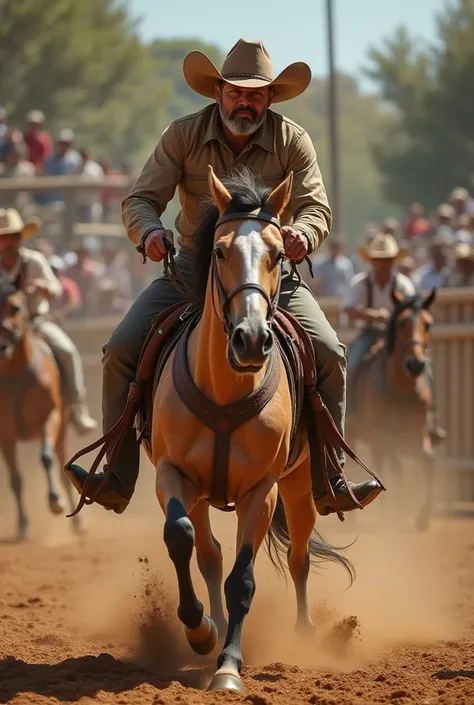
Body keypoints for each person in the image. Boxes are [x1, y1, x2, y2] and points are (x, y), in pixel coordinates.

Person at [66, 38, 382, 515]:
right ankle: (115, 474)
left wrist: (303, 234)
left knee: (330, 351)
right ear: (218, 92)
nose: (244, 102)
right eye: (235, 92)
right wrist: (150, 231)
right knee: (119, 351)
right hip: (194, 268)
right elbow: (139, 201)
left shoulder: (292, 139)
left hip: (268, 273)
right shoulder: (183, 135)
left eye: (255, 94)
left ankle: (329, 478)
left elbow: (316, 205)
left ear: (271, 98)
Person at [0, 208, 97, 435]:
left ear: (19, 238)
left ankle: (77, 407)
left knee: (67, 351)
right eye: (3, 237)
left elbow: (56, 288)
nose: (8, 242)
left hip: (36, 322)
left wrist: (43, 288)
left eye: (12, 236)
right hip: (4, 326)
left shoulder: (34, 260)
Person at [342, 232, 446, 441]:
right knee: (352, 363)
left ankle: (431, 420)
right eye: (379, 260)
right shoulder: (361, 283)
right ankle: (350, 413)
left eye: (387, 260)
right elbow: (347, 308)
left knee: (424, 365)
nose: (383, 264)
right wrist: (372, 315)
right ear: (371, 261)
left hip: (399, 337)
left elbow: (415, 310)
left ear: (393, 261)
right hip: (370, 333)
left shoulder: (404, 284)